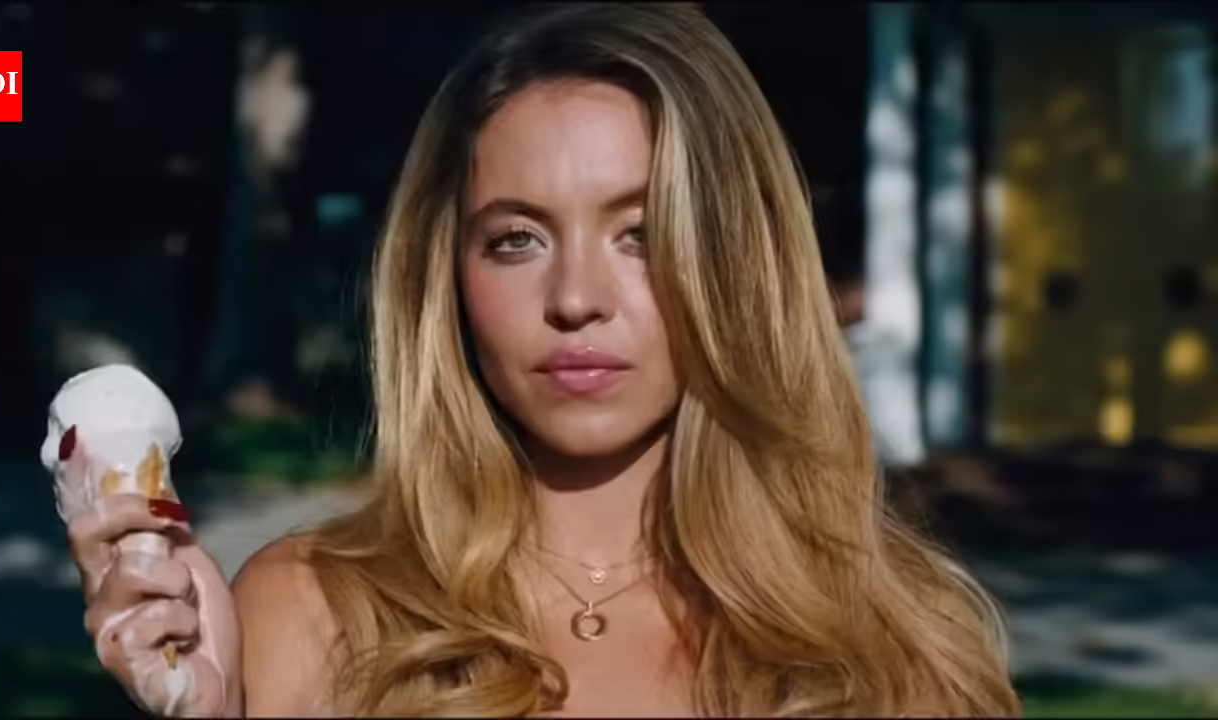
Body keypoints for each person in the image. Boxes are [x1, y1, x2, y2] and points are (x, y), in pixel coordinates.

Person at [62, 4, 1022, 717]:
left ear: (738, 260)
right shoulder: (308, 612)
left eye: (642, 234)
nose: (575, 299)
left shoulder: (902, 644)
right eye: (516, 239)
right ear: (448, 274)